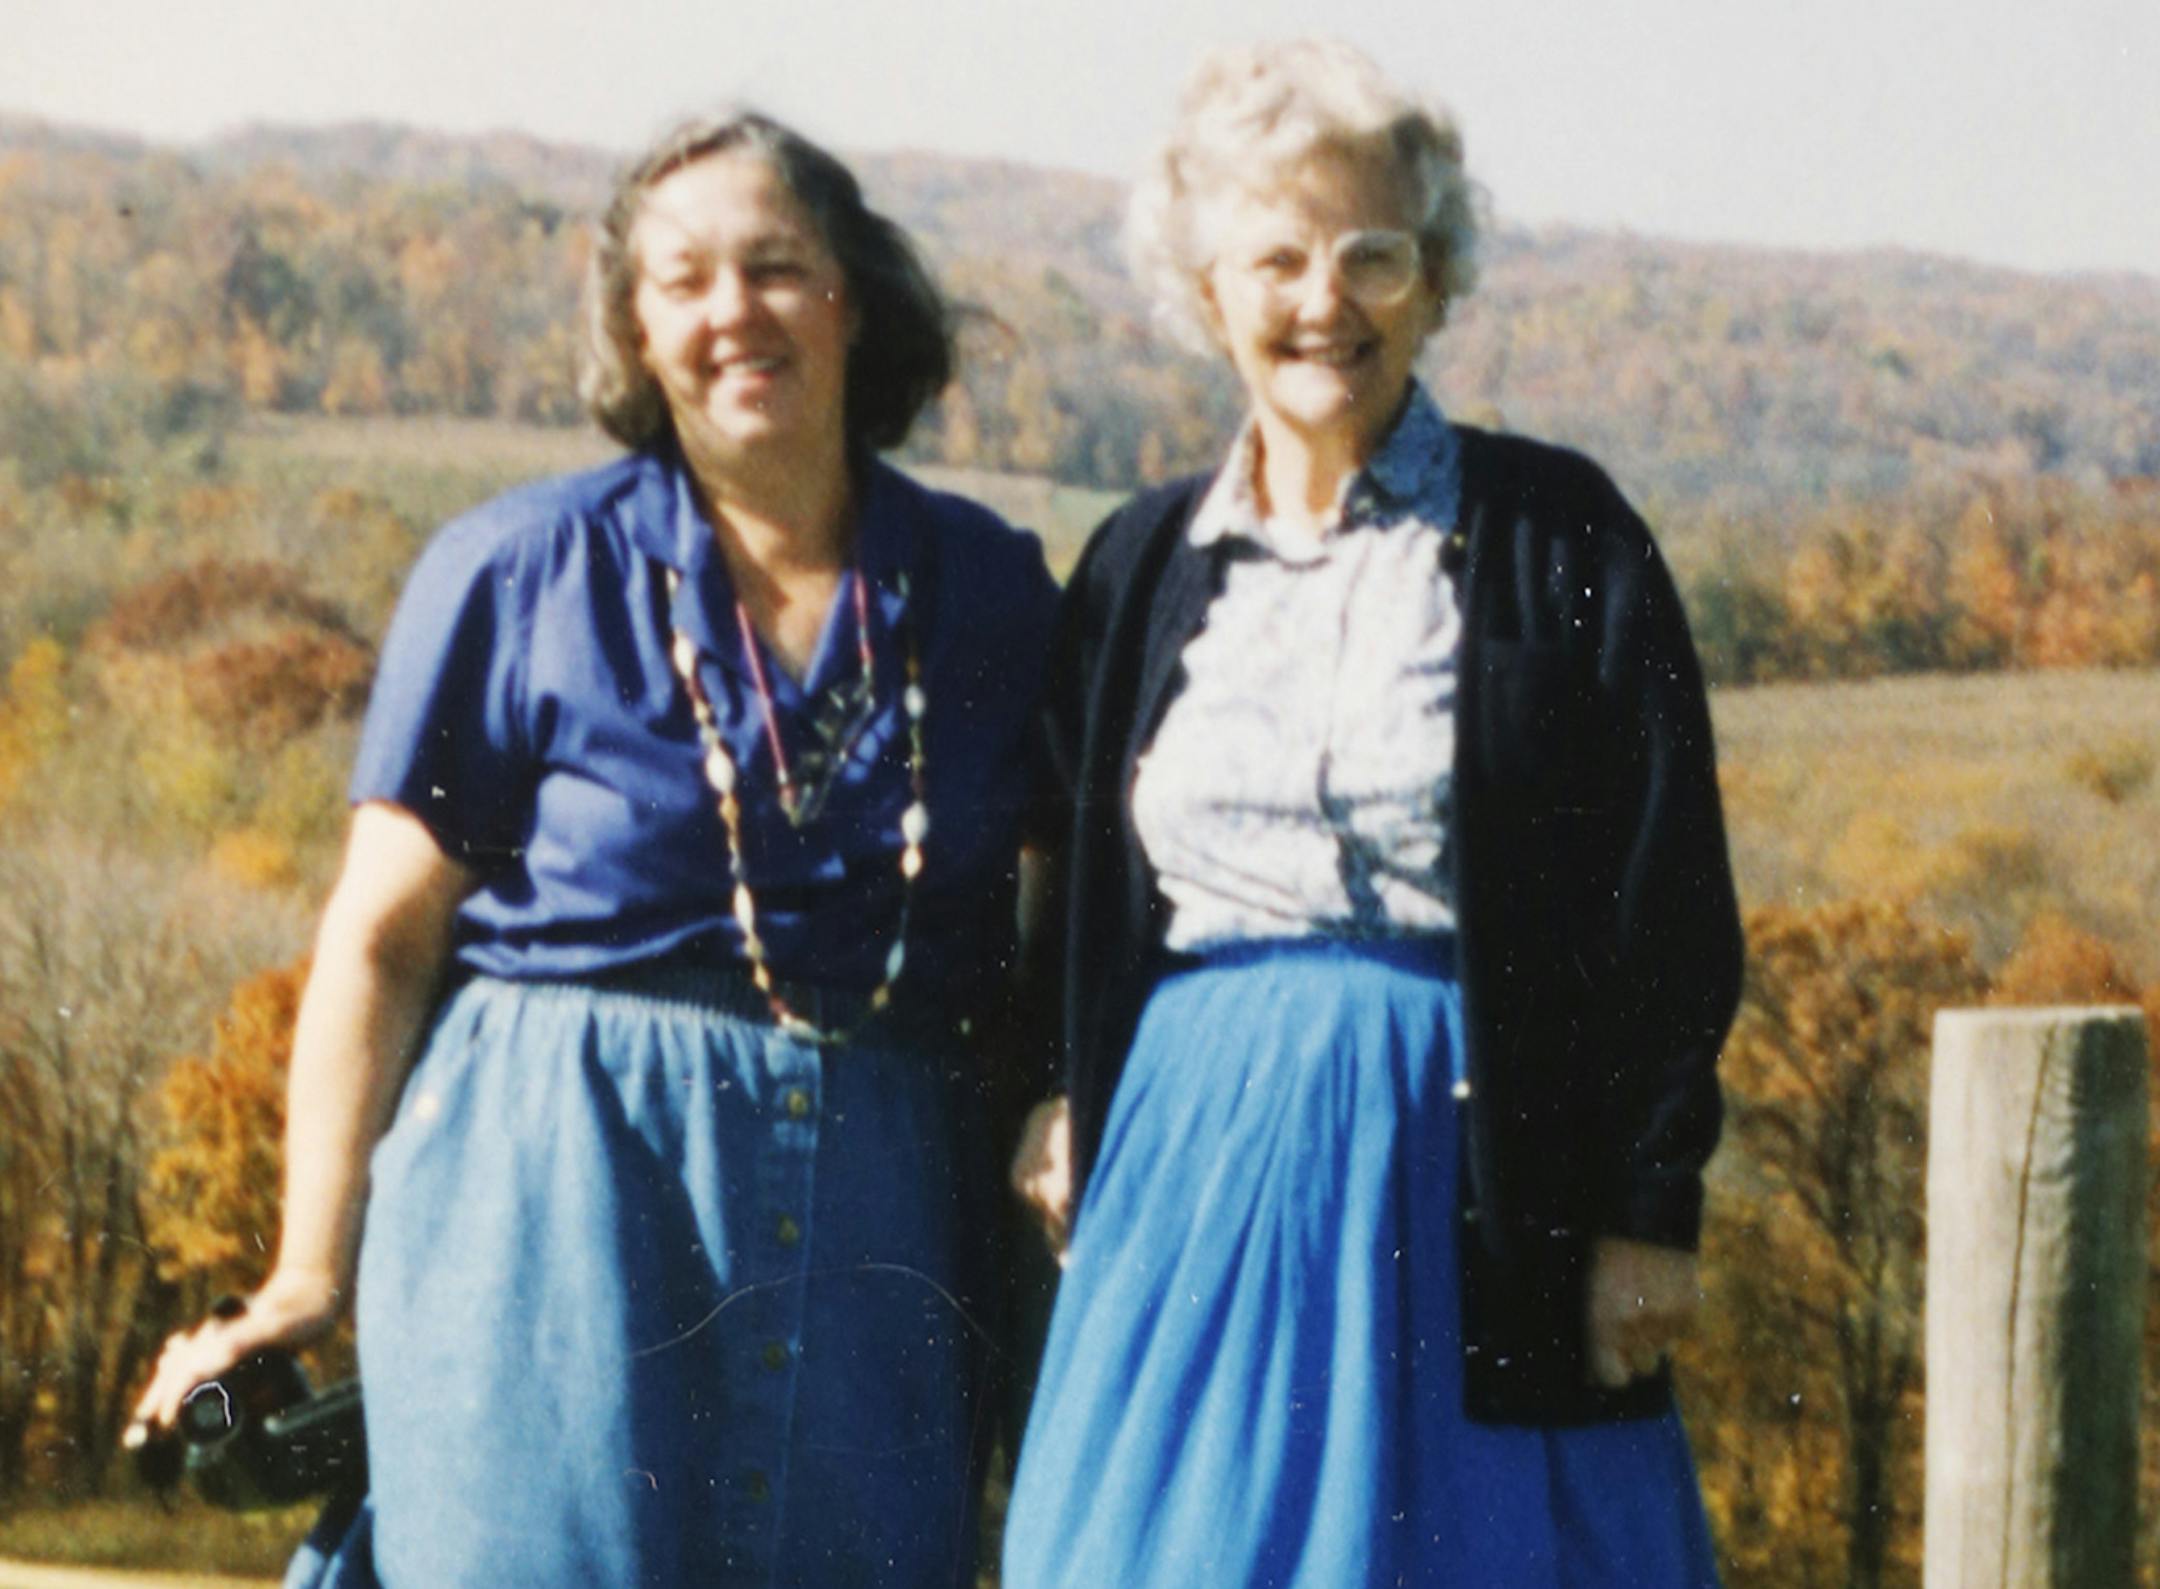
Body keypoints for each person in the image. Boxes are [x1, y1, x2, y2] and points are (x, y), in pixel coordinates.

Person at [127, 109, 1058, 1588]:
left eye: (776, 265)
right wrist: (306, 1269)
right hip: (556, 1206)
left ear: (853, 297)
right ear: (635, 329)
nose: (733, 310)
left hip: (879, 1235)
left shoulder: (989, 591)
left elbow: (1054, 930)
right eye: (683, 280)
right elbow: (379, 940)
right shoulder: (518, 571)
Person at [1002, 39, 1742, 1588]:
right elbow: (1060, 877)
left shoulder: (1559, 533)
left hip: (1479, 1165)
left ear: (1437, 279)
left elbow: (1664, 891)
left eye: (1373, 255)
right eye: (1277, 258)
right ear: (1207, 289)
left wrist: (1647, 1204)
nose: (1323, 300)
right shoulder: (1139, 564)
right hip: (1195, 1164)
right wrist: (1056, 1094)